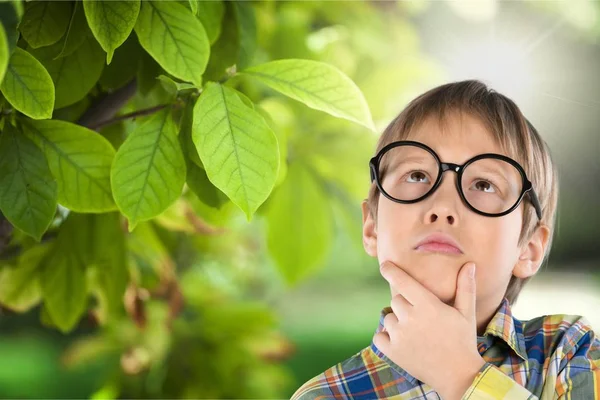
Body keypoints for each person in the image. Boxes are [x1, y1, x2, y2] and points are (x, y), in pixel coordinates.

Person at [290, 80, 600, 400]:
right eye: (417, 176)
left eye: (483, 184)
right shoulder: (324, 396)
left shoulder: (570, 353)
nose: (442, 207)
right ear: (372, 227)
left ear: (529, 248)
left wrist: (460, 375)